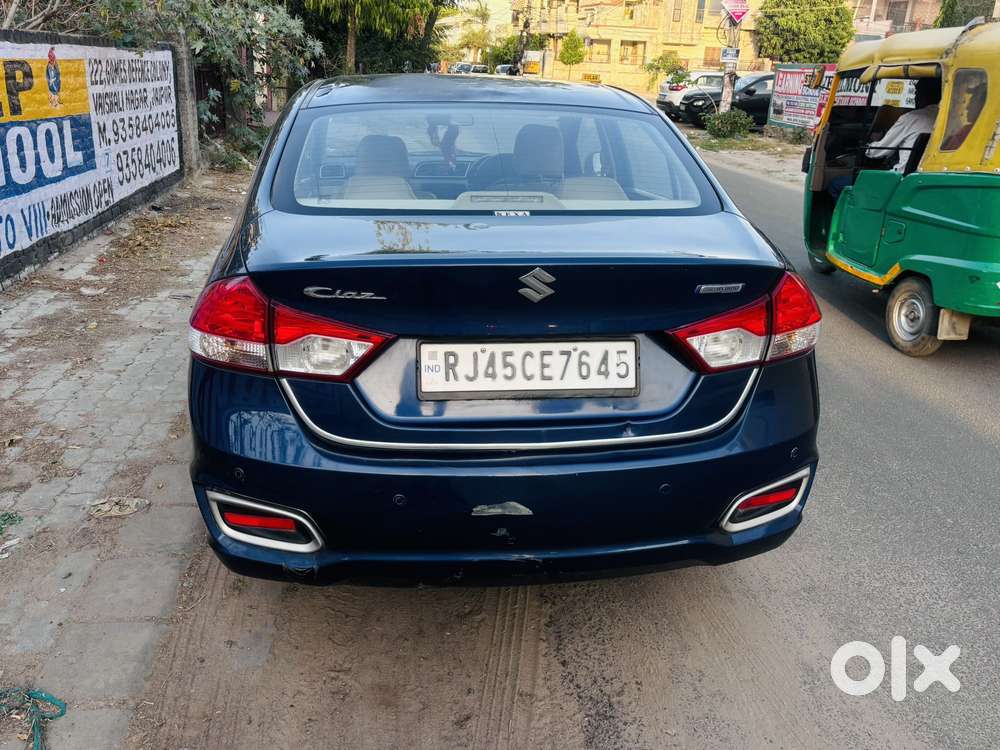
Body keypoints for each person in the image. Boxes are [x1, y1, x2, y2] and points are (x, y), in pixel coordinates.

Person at [866, 77, 942, 172]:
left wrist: (869, 146)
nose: (915, 97)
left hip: (904, 175)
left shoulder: (909, 118)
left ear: (922, 95)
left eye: (916, 93)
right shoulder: (946, 118)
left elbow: (879, 152)